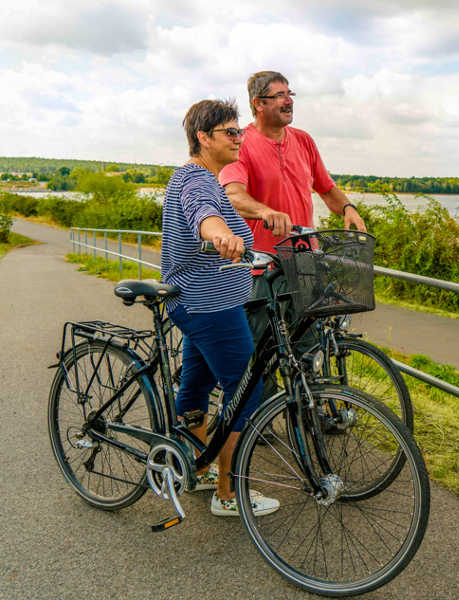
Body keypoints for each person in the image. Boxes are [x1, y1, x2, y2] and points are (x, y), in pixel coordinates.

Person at [161, 98, 278, 517]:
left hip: (201, 302)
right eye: (230, 132)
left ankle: (197, 465)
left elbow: (216, 211)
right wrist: (219, 236)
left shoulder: (210, 177)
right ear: (203, 137)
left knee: (195, 385)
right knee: (245, 390)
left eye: (239, 131)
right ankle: (228, 493)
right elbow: (203, 215)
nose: (239, 138)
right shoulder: (195, 180)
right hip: (208, 305)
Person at [219, 70, 366, 251]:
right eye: (280, 95)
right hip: (261, 263)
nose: (289, 101)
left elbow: (327, 190)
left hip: (305, 258)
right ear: (258, 104)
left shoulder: (304, 140)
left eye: (290, 94)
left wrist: (348, 208)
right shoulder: (239, 143)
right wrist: (266, 212)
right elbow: (233, 196)